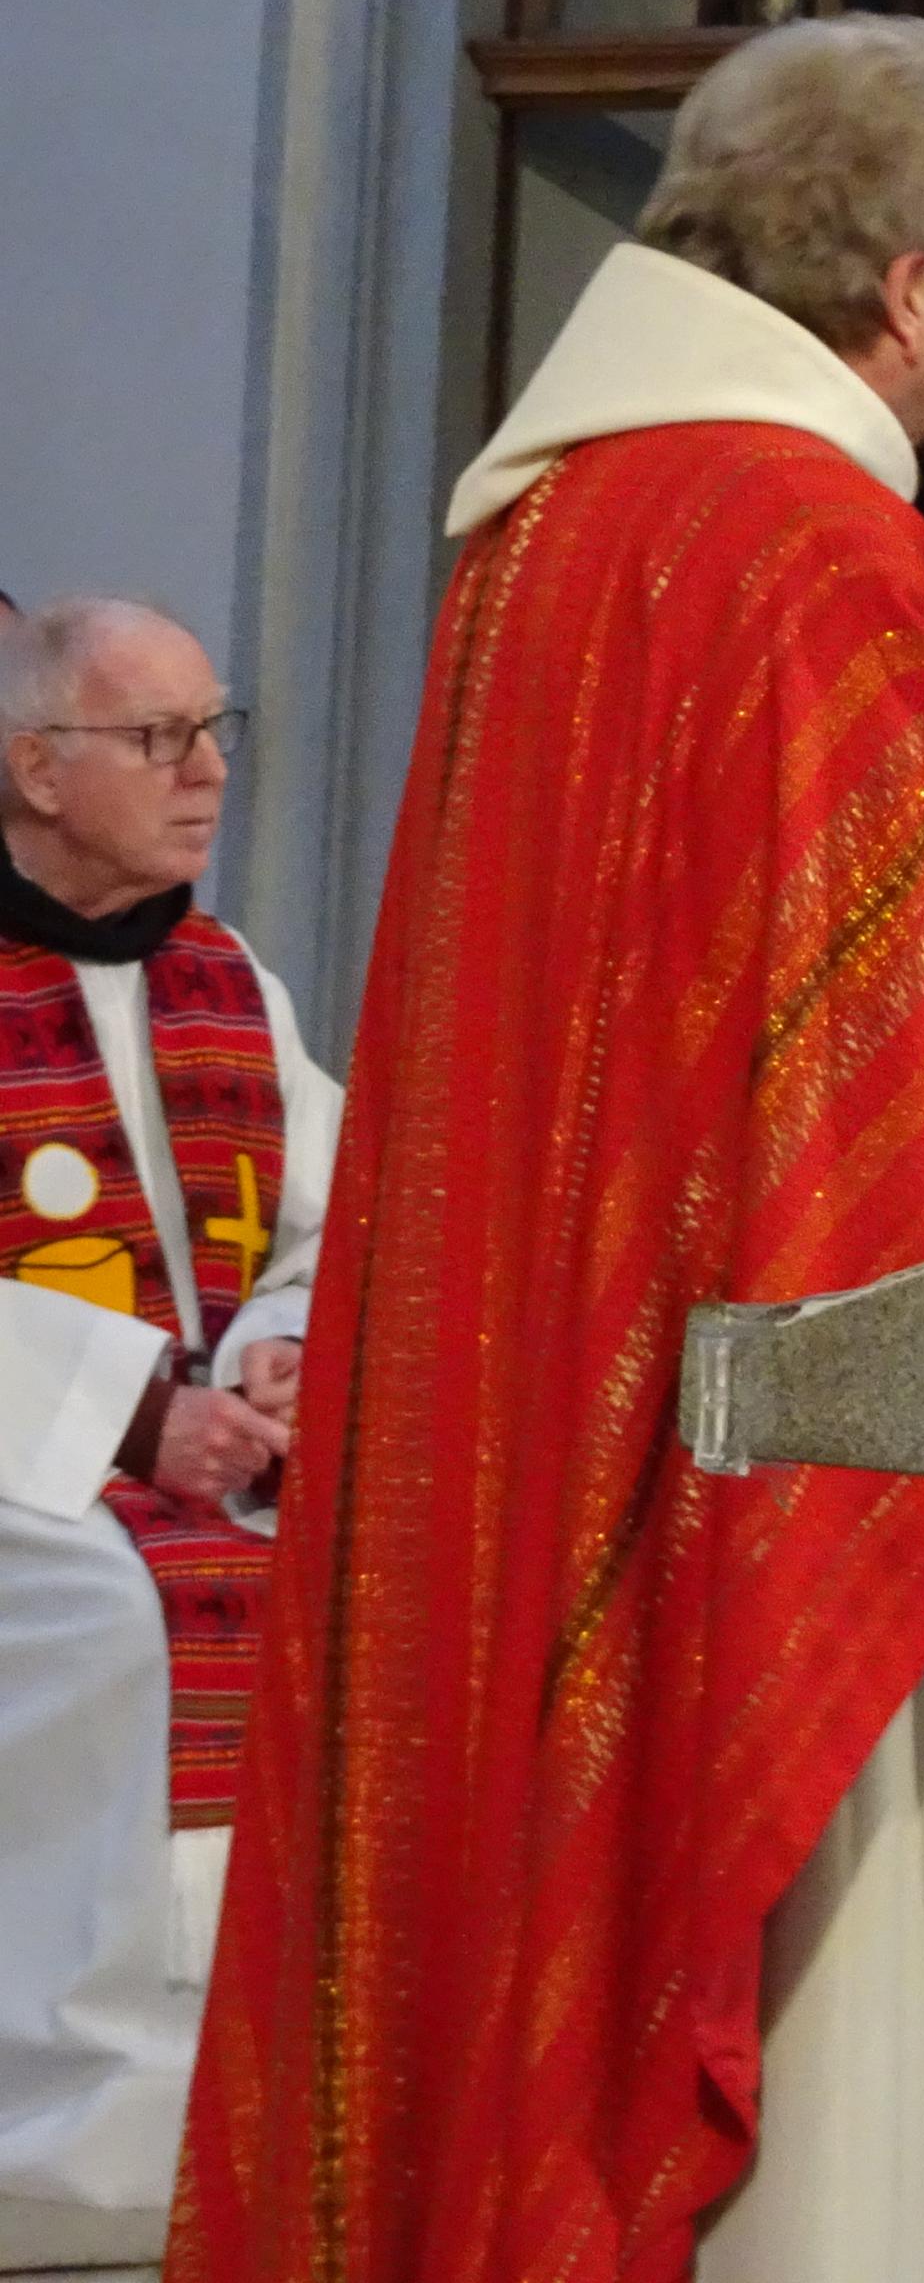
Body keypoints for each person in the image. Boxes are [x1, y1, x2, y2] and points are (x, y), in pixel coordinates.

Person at [176, 17, 924, 2283]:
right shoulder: (824, 546)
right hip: (810, 1446)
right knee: (833, 2046)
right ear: (909, 286)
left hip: (564, 1383)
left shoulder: (549, 528)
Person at [0, 599, 329, 2268]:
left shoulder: (228, 977)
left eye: (215, 729)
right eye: (158, 737)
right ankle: (70, 2151)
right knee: (113, 1612)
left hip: (212, 1456)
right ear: (36, 769)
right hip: (25, 1464)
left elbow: (329, 1217)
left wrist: (281, 1348)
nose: (207, 771)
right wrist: (133, 1414)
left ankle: (269, 2104)